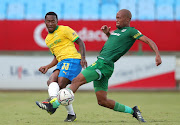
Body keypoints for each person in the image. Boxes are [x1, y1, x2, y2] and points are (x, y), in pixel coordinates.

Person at [44, 9, 162, 122]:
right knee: (102, 101)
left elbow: (148, 41)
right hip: (106, 67)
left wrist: (157, 55)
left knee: (76, 81)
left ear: (127, 19)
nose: (116, 20)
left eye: (119, 18)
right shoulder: (116, 32)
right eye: (116, 17)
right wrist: (107, 34)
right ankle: (133, 111)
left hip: (102, 64)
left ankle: (53, 105)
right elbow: (115, 44)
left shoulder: (132, 31)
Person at [35, 12, 87, 122]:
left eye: (52, 21)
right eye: (48, 21)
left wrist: (83, 57)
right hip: (61, 62)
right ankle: (69, 114)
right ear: (45, 22)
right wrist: (47, 66)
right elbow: (56, 57)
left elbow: (80, 42)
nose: (50, 23)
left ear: (56, 22)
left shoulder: (65, 30)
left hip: (73, 59)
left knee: (61, 82)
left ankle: (52, 104)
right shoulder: (48, 39)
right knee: (51, 81)